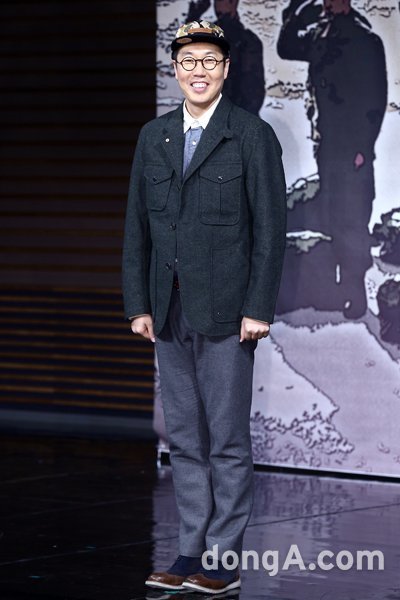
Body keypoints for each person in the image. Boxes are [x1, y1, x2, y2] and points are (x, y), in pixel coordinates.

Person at [123, 21, 286, 594]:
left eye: (209, 61)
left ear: (225, 69)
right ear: (175, 70)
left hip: (226, 313)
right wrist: (138, 304)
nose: (199, 70)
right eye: (188, 61)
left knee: (228, 442)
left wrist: (258, 308)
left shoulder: (250, 135)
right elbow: (138, 228)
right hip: (167, 311)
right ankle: (189, 551)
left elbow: (270, 231)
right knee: (185, 441)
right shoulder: (155, 136)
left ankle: (223, 560)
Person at [277, 0, 387, 318]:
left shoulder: (364, 39)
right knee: (333, 213)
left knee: (353, 217)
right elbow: (286, 47)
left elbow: (375, 99)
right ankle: (338, 285)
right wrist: (298, 11)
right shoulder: (321, 35)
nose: (327, 3)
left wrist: (363, 148)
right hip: (326, 144)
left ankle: (355, 291)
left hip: (352, 149)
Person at [187, 0, 265, 114]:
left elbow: (253, 91)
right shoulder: (209, 37)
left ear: (233, 3)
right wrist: (194, 16)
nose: (217, 5)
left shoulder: (247, 41)